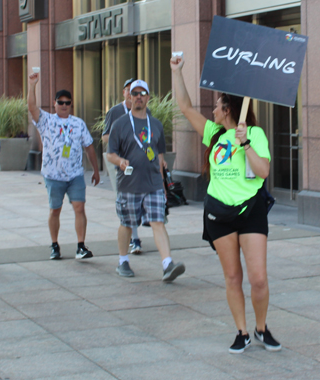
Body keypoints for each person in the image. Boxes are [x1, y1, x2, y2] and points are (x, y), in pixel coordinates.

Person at [170, 55, 280, 353]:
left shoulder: (254, 133)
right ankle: (241, 332)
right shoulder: (214, 133)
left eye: (217, 106)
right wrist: (177, 71)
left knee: (258, 279)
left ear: (227, 108)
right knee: (233, 276)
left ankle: (260, 328)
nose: (213, 110)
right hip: (219, 213)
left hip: (250, 211)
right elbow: (185, 107)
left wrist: (245, 144)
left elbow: (264, 172)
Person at [107, 79, 185, 280]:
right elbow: (110, 154)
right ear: (129, 97)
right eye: (135, 93)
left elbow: (159, 157)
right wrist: (120, 161)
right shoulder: (120, 124)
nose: (138, 97)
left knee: (158, 222)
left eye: (142, 93)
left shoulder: (156, 125)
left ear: (148, 98)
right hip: (129, 185)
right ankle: (123, 261)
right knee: (127, 223)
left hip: (153, 185)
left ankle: (167, 264)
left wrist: (163, 185)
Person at [28, 72, 100, 260]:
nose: (64, 106)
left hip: (75, 174)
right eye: (61, 102)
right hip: (53, 175)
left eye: (68, 103)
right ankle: (54, 245)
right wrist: (32, 85)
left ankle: (81, 246)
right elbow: (32, 107)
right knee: (55, 210)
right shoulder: (47, 121)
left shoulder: (78, 123)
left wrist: (96, 170)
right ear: (55, 104)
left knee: (79, 208)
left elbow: (89, 147)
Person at [102, 78, 144, 255]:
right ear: (124, 92)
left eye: (137, 92)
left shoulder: (143, 112)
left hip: (139, 162)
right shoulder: (115, 112)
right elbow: (105, 137)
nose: (133, 94)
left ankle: (133, 235)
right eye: (129, 90)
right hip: (121, 162)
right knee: (126, 200)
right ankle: (134, 239)